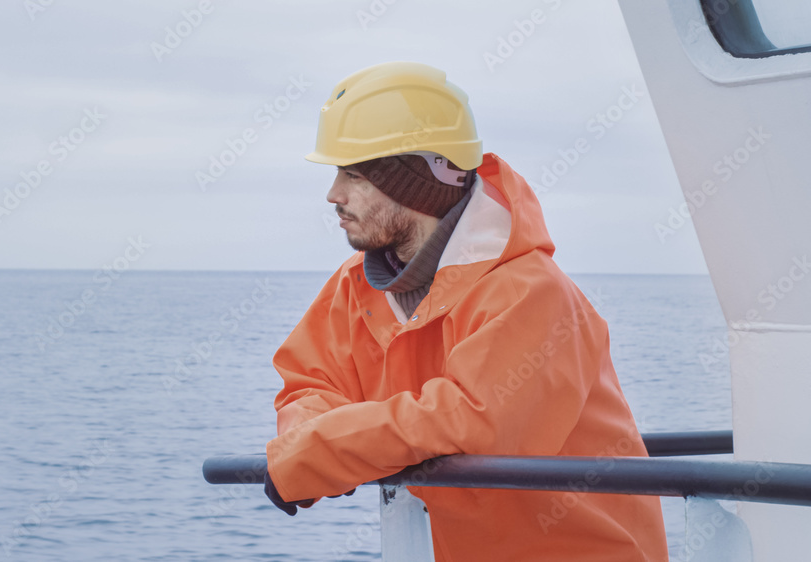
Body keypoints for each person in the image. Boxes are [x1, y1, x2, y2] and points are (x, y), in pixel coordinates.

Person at [262, 61, 668, 561]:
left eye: (354, 174)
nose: (334, 195)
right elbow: (310, 382)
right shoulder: (355, 287)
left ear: (412, 182)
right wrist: (315, 446)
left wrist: (325, 449)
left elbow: (478, 422)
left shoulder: (530, 291)